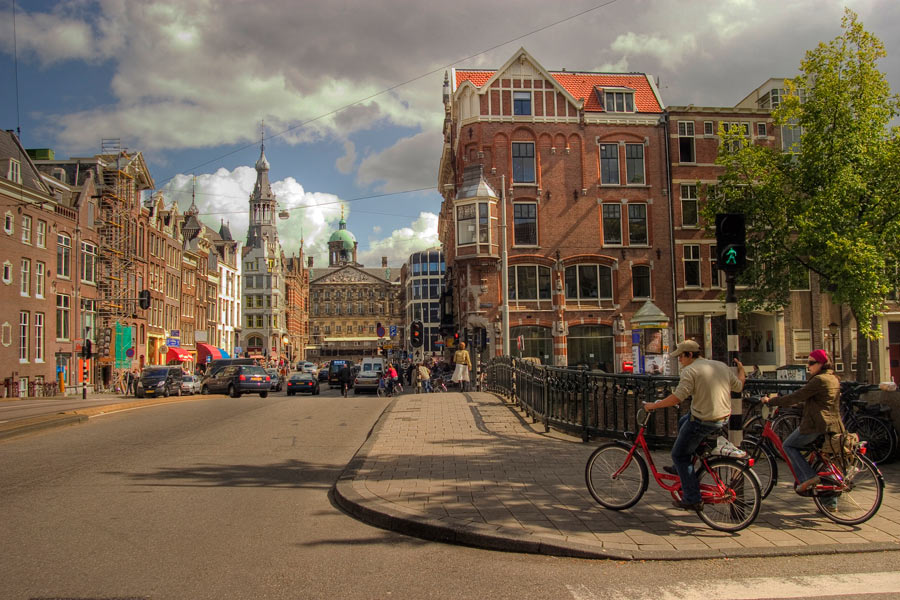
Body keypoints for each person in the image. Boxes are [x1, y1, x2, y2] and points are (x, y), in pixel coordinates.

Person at [643, 340, 745, 511]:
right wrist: (742, 370)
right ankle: (684, 465)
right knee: (684, 420)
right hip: (722, 417)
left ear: (690, 355)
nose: (679, 360)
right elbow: (739, 386)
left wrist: (654, 406)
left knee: (679, 455)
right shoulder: (720, 365)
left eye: (681, 357)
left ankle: (692, 498)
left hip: (703, 420)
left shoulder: (690, 371)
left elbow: (678, 397)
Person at [762, 349, 842, 494]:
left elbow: (797, 396)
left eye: (811, 363)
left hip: (816, 424)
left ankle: (808, 477)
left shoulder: (819, 380)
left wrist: (772, 401)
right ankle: (830, 501)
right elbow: (818, 402)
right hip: (832, 424)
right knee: (825, 460)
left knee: (788, 446)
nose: (808, 366)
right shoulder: (833, 378)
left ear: (821, 364)